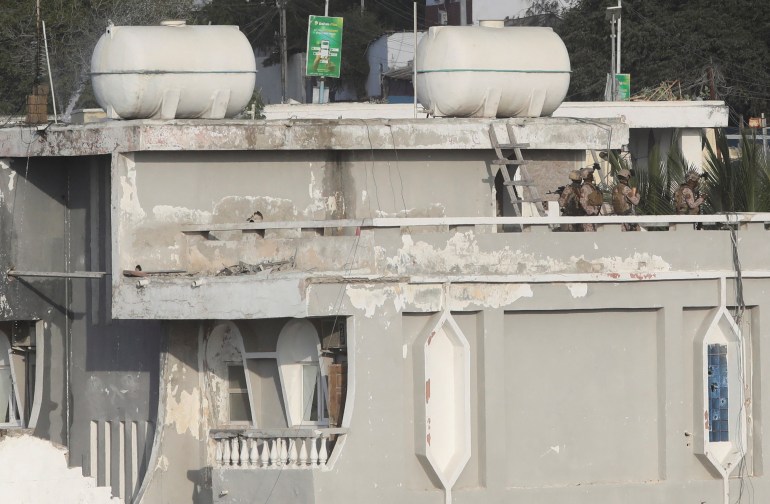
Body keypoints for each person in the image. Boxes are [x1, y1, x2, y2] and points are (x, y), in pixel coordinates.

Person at [579, 164, 603, 231]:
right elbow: (582, 201)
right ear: (588, 176)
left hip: (593, 217)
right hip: (589, 218)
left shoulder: (591, 187)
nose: (592, 176)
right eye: (591, 174)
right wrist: (590, 212)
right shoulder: (585, 187)